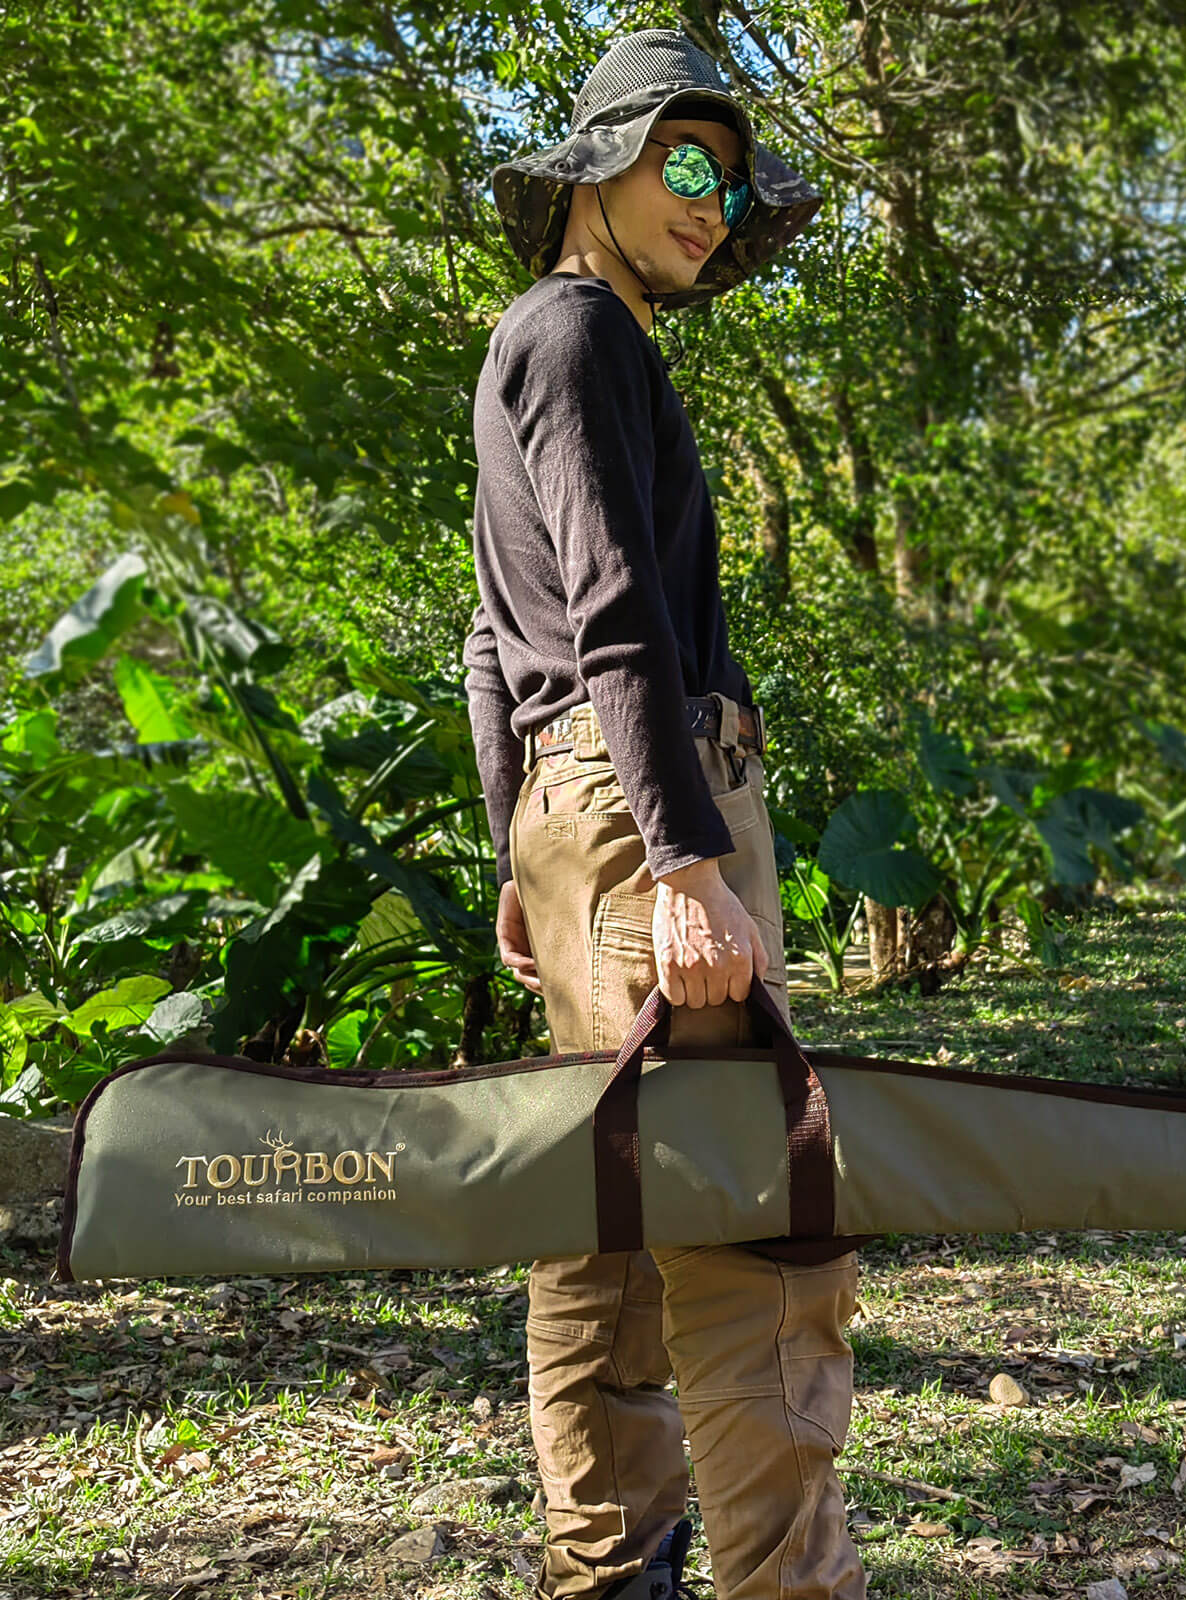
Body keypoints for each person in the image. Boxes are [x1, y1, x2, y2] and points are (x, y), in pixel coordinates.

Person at [463, 29, 868, 1600]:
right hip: (651, 813)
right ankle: (782, 1582)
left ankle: (610, 1571)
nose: (712, 202)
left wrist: (524, 844)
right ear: (599, 166)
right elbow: (615, 615)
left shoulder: (538, 344)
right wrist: (688, 857)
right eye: (683, 163)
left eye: (732, 177)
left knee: (607, 1211)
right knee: (751, 1216)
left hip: (584, 818)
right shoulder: (580, 335)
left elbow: (498, 635)